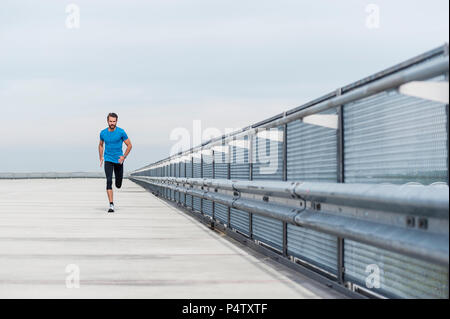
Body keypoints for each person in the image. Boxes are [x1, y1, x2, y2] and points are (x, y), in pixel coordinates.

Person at [99, 112, 132, 213]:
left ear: (116, 121)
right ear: (107, 121)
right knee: (109, 181)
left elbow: (129, 145)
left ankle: (118, 183)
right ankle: (111, 204)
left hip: (118, 160)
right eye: (110, 121)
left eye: (114, 121)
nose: (112, 123)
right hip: (108, 159)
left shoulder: (121, 132)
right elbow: (100, 145)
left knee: (118, 184)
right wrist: (101, 157)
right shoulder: (103, 133)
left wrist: (124, 156)